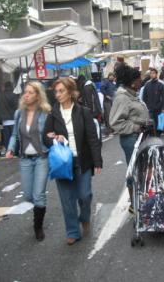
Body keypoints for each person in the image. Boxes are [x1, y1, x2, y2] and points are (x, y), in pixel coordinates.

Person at [44, 77, 102, 245]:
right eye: (56, 92)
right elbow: (45, 137)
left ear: (70, 92)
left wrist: (97, 161)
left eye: (61, 91)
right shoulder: (53, 114)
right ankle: (72, 231)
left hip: (82, 160)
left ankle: (85, 217)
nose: (58, 94)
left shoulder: (83, 111)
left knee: (85, 195)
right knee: (67, 200)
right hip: (63, 162)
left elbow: (92, 137)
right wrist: (55, 137)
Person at [6, 82, 51, 241]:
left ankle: (37, 227)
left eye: (30, 92)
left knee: (38, 194)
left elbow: (50, 132)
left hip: (42, 157)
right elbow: (14, 135)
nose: (26, 95)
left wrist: (53, 137)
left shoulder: (45, 112)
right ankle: (38, 209)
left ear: (38, 96)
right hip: (25, 158)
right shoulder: (19, 113)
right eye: (25, 92)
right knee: (27, 195)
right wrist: (11, 149)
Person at [110, 64, 150, 214]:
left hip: (140, 138)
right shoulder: (122, 98)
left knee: (142, 170)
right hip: (132, 140)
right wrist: (135, 127)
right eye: (139, 80)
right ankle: (134, 203)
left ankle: (142, 199)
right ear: (133, 82)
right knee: (134, 171)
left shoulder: (132, 94)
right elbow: (115, 122)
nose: (141, 82)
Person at [0, 81, 19, 153]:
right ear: (12, 86)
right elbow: (17, 107)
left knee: (6, 138)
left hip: (4, 121)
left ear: (4, 87)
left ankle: (9, 152)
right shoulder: (13, 95)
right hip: (13, 120)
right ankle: (15, 152)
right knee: (14, 137)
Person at [142, 68, 164, 134]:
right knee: (150, 125)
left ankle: (159, 137)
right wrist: (146, 106)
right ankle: (152, 137)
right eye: (151, 73)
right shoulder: (147, 84)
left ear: (156, 74)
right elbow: (144, 97)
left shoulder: (161, 84)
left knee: (160, 125)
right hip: (150, 109)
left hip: (159, 108)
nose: (152, 74)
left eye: (153, 73)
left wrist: (163, 108)